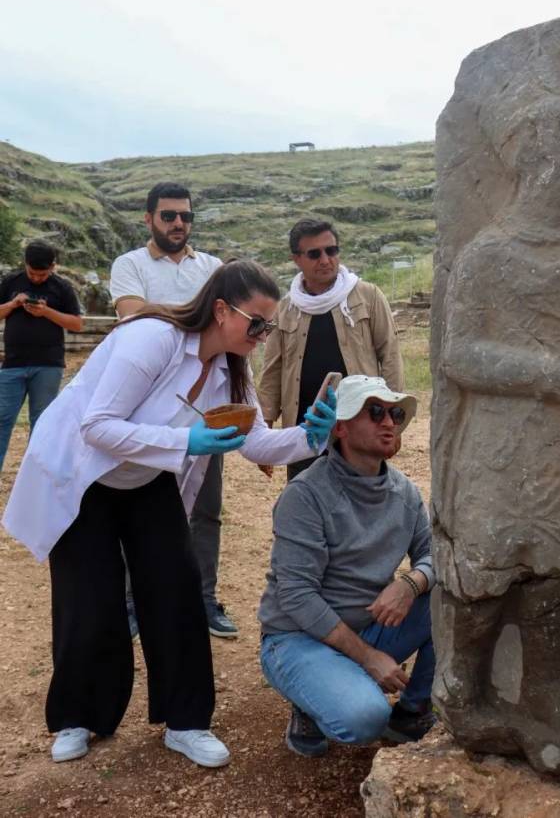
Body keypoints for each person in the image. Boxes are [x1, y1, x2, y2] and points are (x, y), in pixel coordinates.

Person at [1, 259, 338, 769]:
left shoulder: (230, 368)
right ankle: (78, 716)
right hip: (86, 476)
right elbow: (98, 426)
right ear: (222, 310)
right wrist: (186, 440)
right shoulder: (153, 339)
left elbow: (256, 443)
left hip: (148, 477)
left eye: (270, 327)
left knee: (177, 590)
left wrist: (312, 436)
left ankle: (186, 723)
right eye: (258, 323)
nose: (264, 336)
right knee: (89, 599)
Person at [258, 374, 435, 757]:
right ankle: (308, 699)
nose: (389, 422)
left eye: (395, 412)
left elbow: (435, 555)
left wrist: (411, 583)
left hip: (368, 625)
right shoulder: (305, 495)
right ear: (340, 427)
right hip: (297, 637)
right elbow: (297, 596)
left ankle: (412, 710)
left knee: (454, 597)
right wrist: (369, 658)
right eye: (375, 412)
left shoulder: (405, 492)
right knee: (364, 719)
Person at [110, 183, 236, 638]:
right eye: (168, 216)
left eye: (184, 216)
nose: (178, 224)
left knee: (206, 508)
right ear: (148, 219)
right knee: (136, 505)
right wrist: (201, 315)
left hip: (206, 405)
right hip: (146, 409)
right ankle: (130, 602)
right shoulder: (129, 265)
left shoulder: (215, 267)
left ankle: (203, 599)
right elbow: (132, 315)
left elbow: (227, 325)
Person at [259, 219, 403, 481]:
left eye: (331, 250)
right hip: (304, 429)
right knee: (306, 501)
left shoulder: (368, 296)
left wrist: (395, 421)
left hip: (359, 423)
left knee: (362, 500)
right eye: (314, 254)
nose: (325, 260)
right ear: (297, 259)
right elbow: (273, 368)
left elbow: (390, 356)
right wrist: (264, 431)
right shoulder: (286, 307)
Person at [0, 240, 83, 471]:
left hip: (48, 365)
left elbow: (77, 324)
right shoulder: (11, 282)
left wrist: (46, 312)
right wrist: (13, 304)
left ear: (53, 266)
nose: (37, 278)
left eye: (43, 274)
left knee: (42, 424)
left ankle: (34, 476)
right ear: (25, 264)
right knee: (2, 420)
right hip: (12, 364)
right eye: (32, 273)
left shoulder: (62, 287)